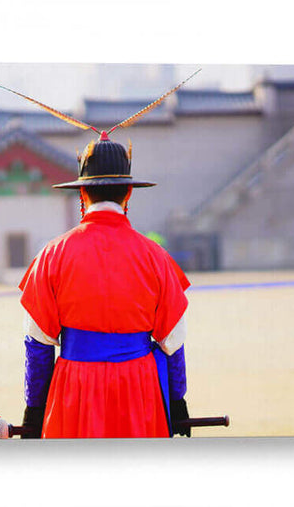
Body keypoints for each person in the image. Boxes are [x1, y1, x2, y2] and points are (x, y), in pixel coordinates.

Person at [18, 133, 192, 438]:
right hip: (140, 392)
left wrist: (34, 410)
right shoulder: (156, 257)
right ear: (128, 193)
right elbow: (173, 344)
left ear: (82, 194)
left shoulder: (52, 256)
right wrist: (178, 404)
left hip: (75, 391)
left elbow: (38, 346)